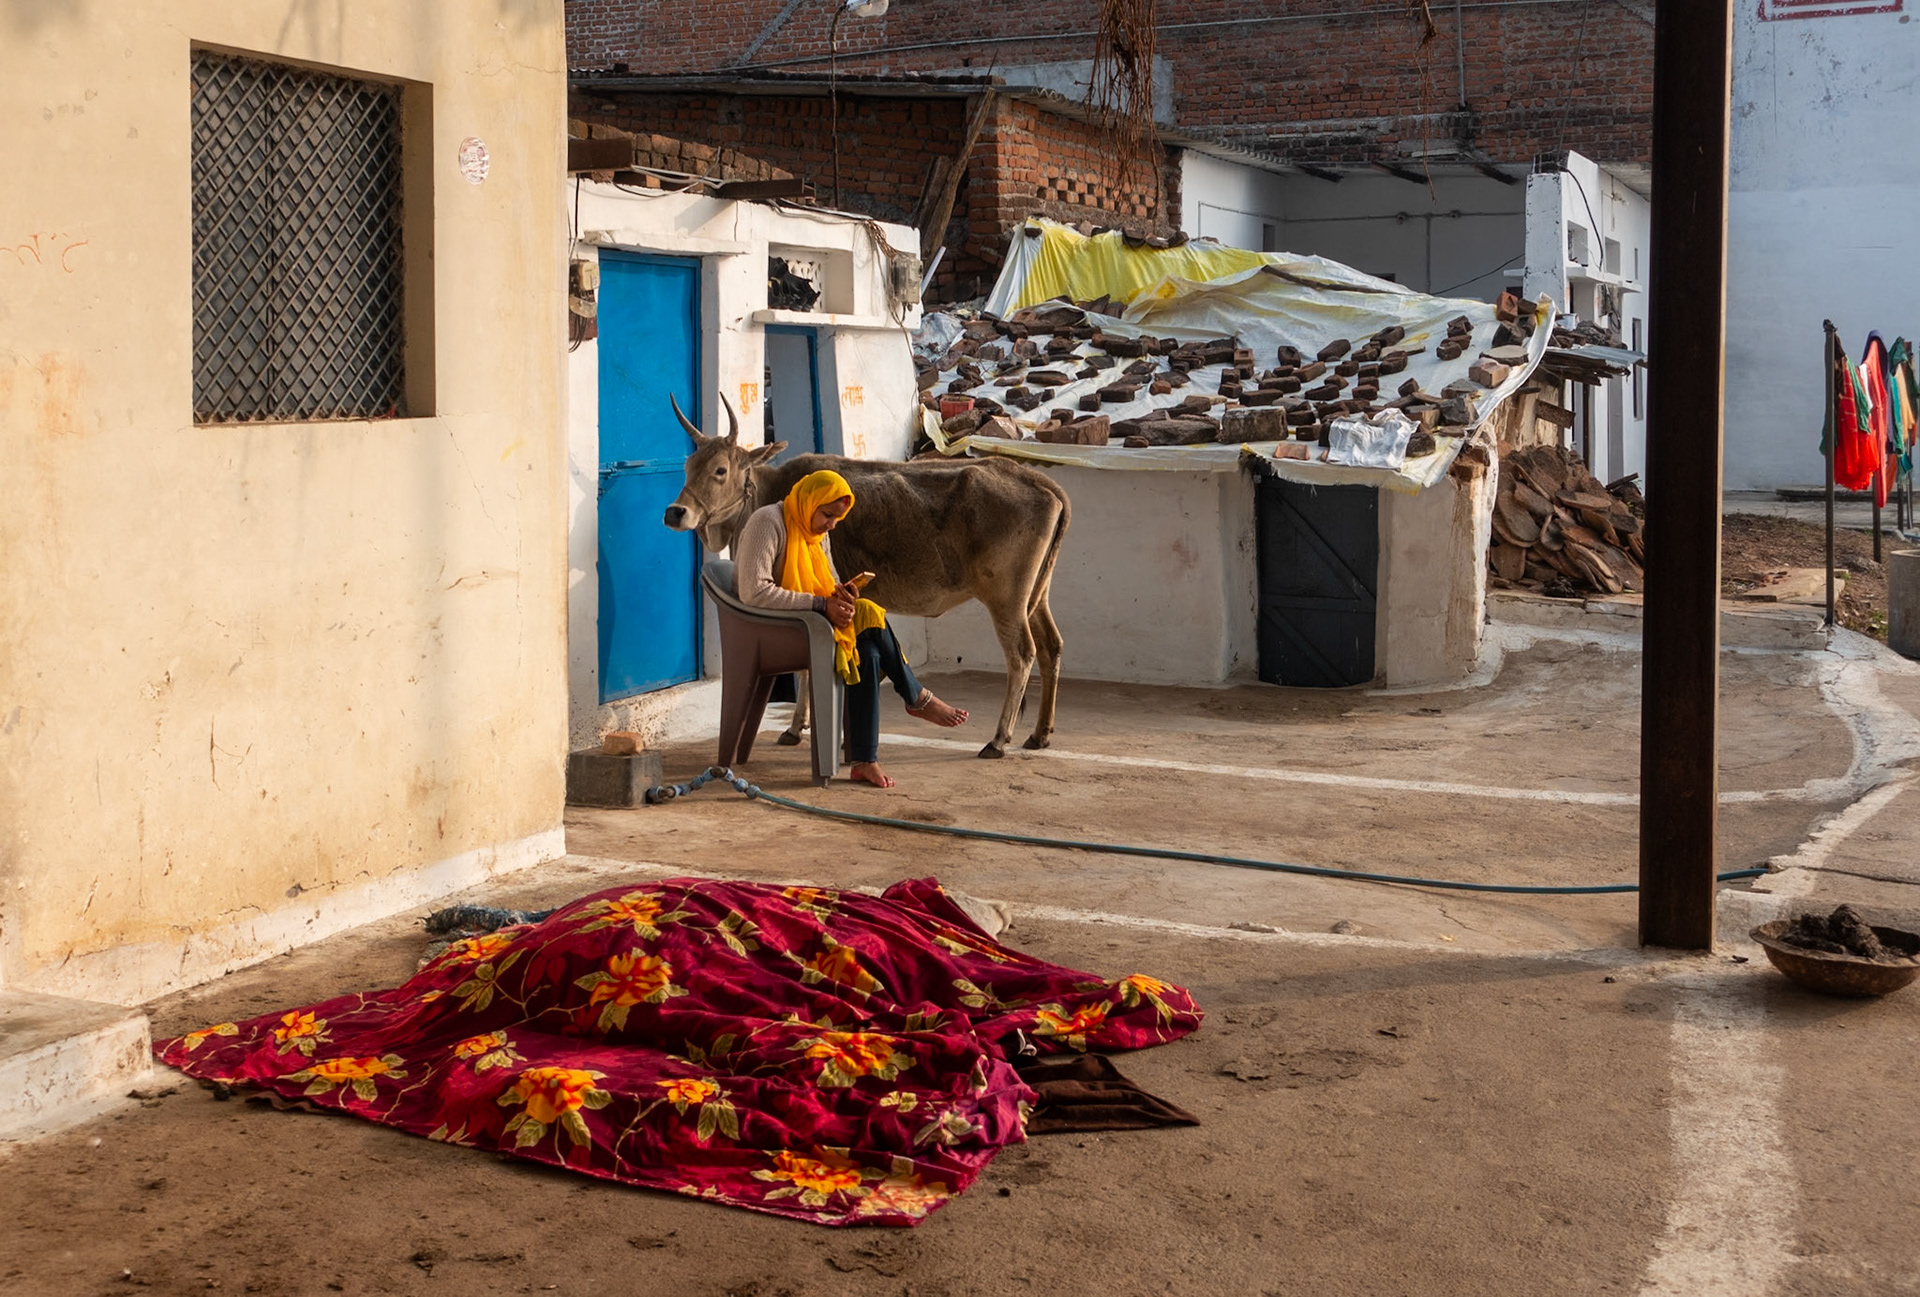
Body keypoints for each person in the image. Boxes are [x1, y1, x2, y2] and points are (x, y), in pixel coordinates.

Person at [735, 469, 966, 787]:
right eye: (827, 515)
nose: (831, 524)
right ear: (809, 501)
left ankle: (864, 761)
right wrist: (821, 605)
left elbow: (828, 584)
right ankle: (916, 697)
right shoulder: (767, 522)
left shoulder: (818, 534)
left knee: (867, 650)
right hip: (774, 630)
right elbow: (754, 592)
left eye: (837, 518)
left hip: (812, 625)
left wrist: (842, 594)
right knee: (869, 618)